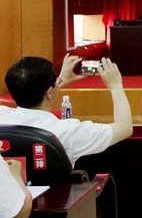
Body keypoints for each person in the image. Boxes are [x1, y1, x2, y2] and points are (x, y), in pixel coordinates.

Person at [0, 54, 133, 166]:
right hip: (56, 191)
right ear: (49, 92)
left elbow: (43, 92)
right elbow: (125, 128)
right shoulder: (69, 131)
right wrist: (116, 85)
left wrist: (59, 82)